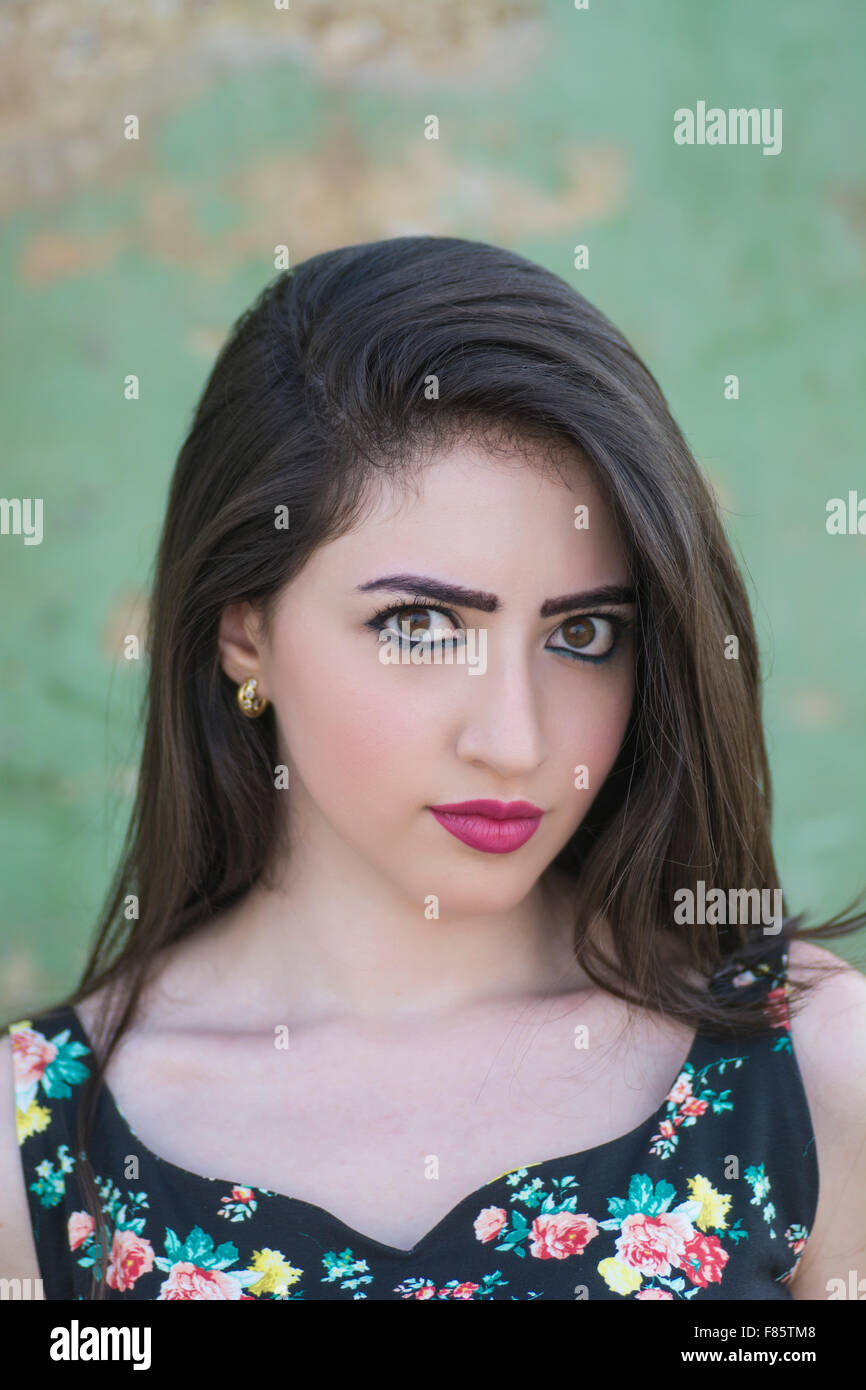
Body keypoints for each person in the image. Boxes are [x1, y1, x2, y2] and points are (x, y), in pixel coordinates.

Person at [2, 236, 864, 1302]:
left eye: (583, 633)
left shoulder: (807, 1073)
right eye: (418, 623)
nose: (514, 739)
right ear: (245, 634)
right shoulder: (32, 1149)